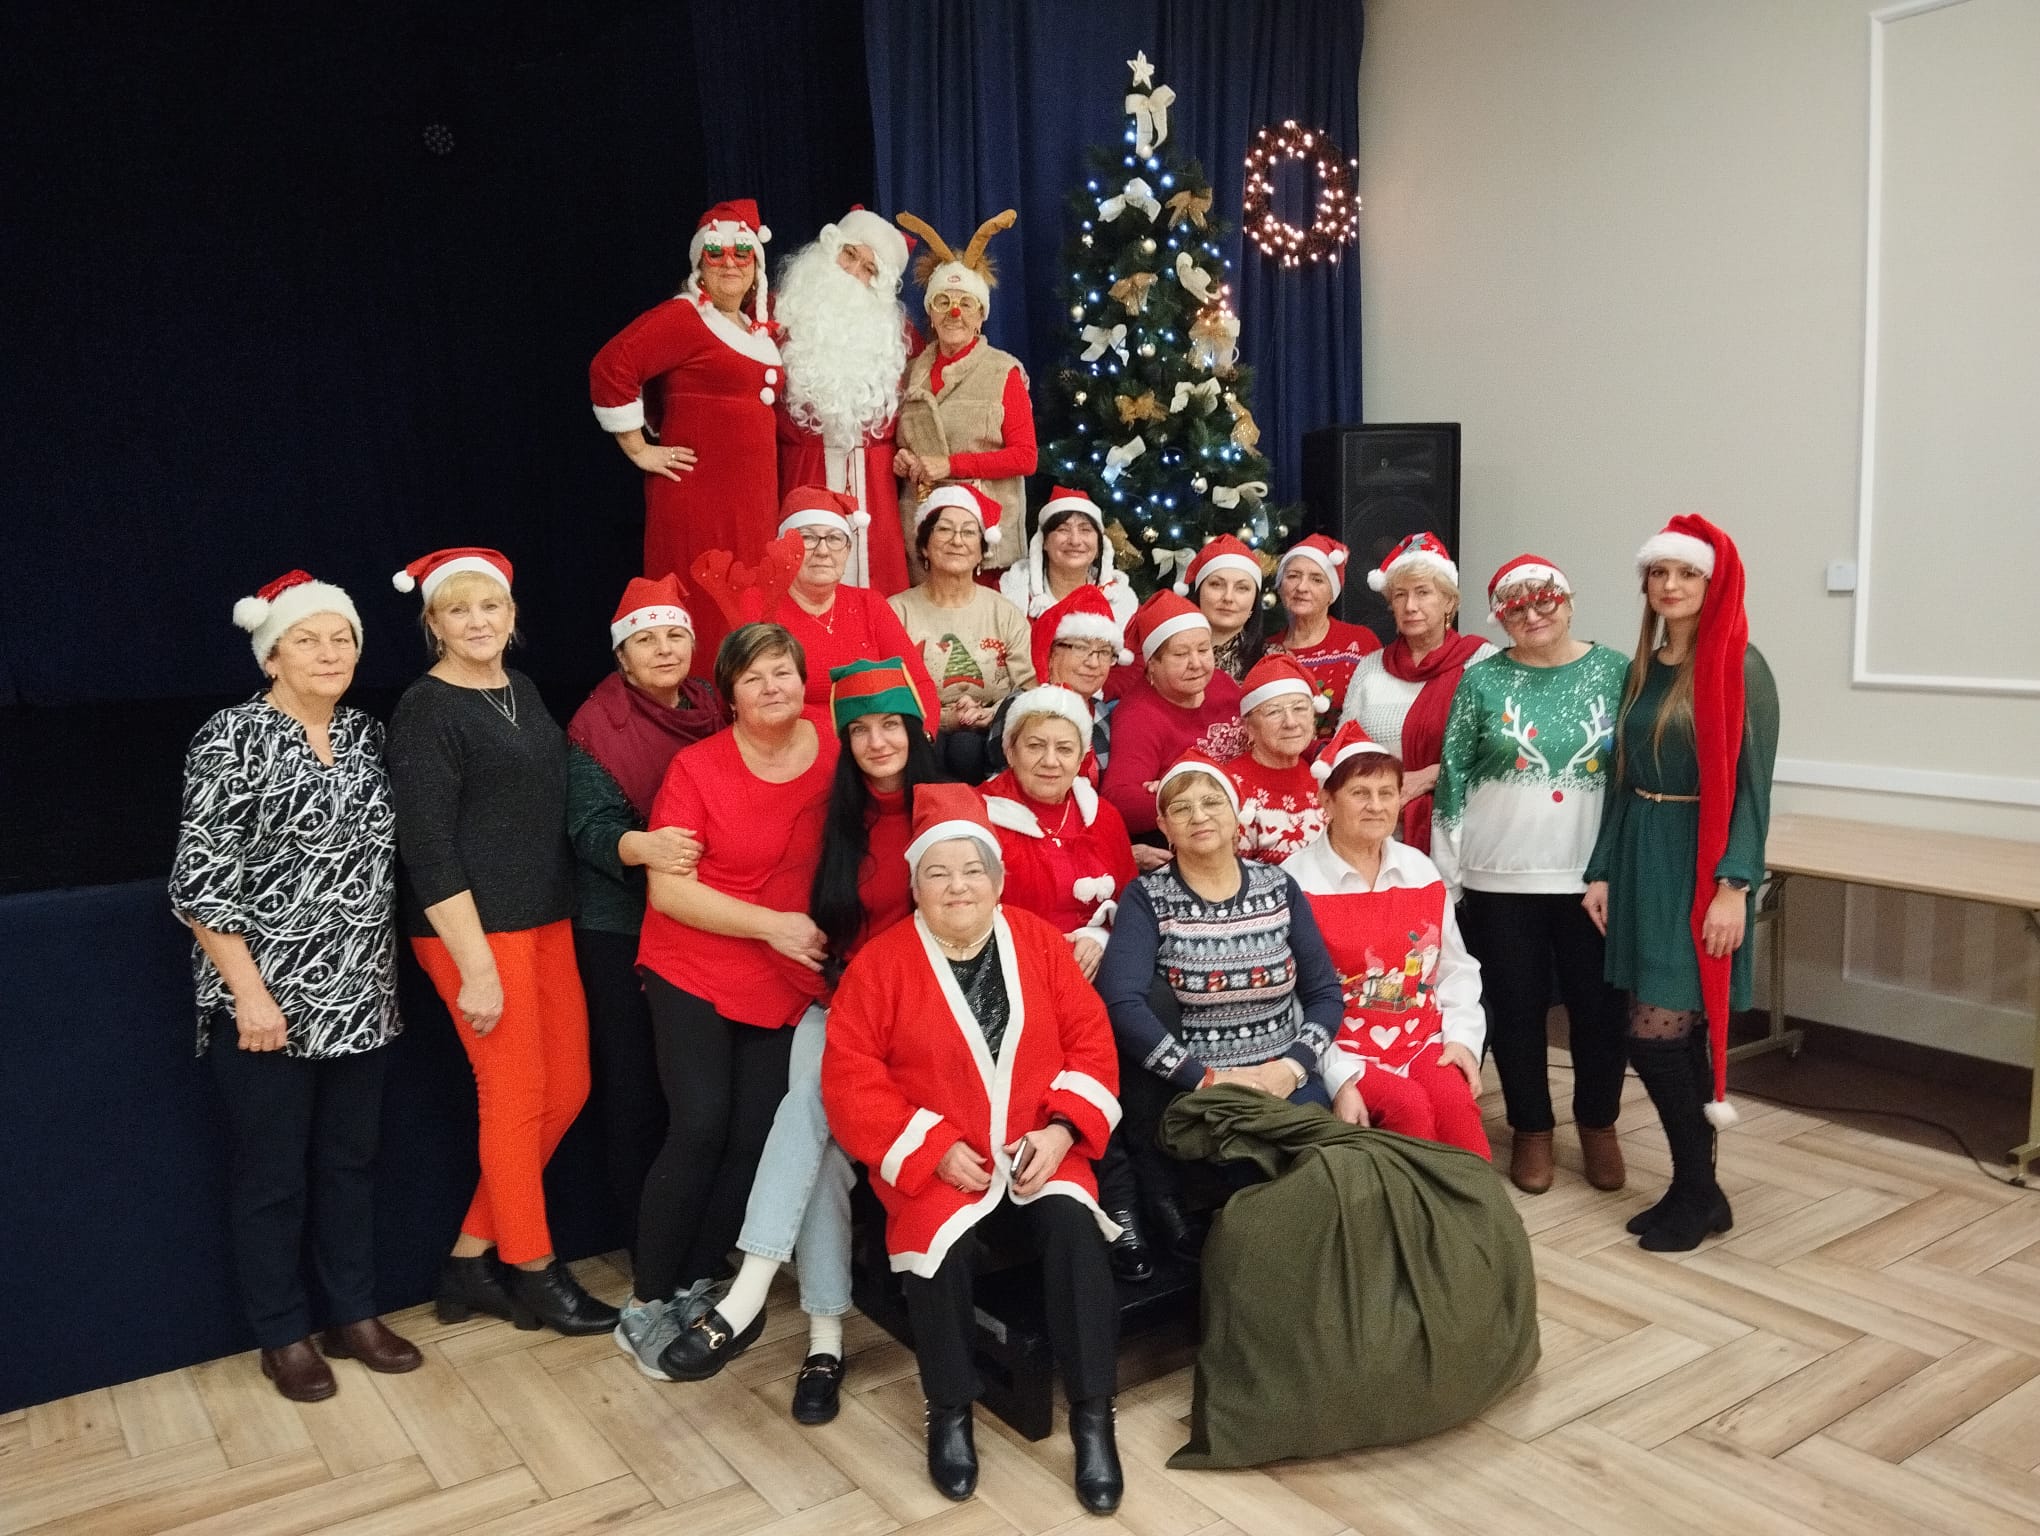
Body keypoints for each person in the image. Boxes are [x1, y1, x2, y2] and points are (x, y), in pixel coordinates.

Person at [823, 784, 1124, 1515]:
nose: (958, 886)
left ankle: (1093, 1415)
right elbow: (851, 1079)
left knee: (1074, 1230)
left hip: (1040, 1145)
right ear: (915, 884)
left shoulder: (1040, 943)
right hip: (941, 1157)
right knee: (941, 1253)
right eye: (938, 872)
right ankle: (950, 1408)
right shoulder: (880, 965)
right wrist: (930, 1149)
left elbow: (1090, 1041)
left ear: (997, 878)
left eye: (972, 870)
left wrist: (1062, 1130)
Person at [170, 571, 419, 1403]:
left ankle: (353, 1314)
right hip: (266, 1008)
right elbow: (200, 883)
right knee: (272, 1179)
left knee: (352, 1165)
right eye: (306, 639)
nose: (328, 652)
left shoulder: (365, 735)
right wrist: (249, 994)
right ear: (271, 655)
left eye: (341, 638)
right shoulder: (231, 736)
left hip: (362, 998)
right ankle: (283, 1333)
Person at [386, 548, 616, 1337]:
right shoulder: (426, 710)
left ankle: (467, 1260)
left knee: (568, 1089)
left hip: (544, 918)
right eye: (459, 609)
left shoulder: (520, 689)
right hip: (472, 934)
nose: (477, 621)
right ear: (434, 623)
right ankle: (534, 1270)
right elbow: (426, 848)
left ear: (512, 616)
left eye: (490, 606)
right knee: (514, 1098)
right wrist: (477, 966)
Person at [621, 623, 838, 1374]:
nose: (772, 687)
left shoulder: (837, 750)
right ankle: (647, 1299)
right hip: (696, 962)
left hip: (787, 976)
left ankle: (700, 1283)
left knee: (756, 1135)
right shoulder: (698, 767)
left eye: (783, 672)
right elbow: (669, 891)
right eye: (753, 677)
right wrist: (772, 925)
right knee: (701, 1123)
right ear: (731, 696)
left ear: (803, 679)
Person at [1585, 517, 1777, 1252]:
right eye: (1658, 573)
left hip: (1699, 866)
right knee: (1668, 1035)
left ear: (1713, 582)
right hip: (1642, 854)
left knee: (1657, 1037)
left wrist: (1736, 885)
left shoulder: (1741, 667)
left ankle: (1695, 1189)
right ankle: (1699, 1189)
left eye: (1686, 573)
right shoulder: (1644, 666)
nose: (1670, 586)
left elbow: (1755, 790)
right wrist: (1603, 868)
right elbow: (1621, 779)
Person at [1433, 555, 1629, 1194]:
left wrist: (1618, 866)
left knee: (1599, 1012)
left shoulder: (1617, 672)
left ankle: (1598, 1124)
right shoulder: (1480, 680)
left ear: (1569, 601)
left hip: (1590, 881)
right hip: (1499, 879)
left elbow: (1634, 777)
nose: (1533, 614)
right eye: (1515, 606)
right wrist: (1449, 877)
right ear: (1499, 617)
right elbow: (1452, 776)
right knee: (1514, 1011)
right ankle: (1532, 1130)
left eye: (1545, 599)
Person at [1096, 753, 1345, 1254]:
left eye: (1212, 802)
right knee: (1263, 1186)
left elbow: (1325, 994)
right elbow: (1122, 1002)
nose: (1199, 816)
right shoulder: (1147, 897)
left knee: (1332, 1178)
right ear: (1164, 826)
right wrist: (1205, 1077)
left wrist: (1292, 1066)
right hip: (1207, 1092)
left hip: (1286, 1079)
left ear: (1236, 815)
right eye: (1181, 808)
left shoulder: (1279, 887)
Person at [564, 575, 725, 1259]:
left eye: (675, 635)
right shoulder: (597, 725)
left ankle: (702, 1233)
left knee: (695, 1093)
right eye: (647, 640)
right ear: (622, 657)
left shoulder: (716, 706)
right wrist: (648, 847)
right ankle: (644, 1243)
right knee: (635, 1087)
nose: (664, 649)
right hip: (620, 926)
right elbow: (588, 830)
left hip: (705, 921)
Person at [980, 684, 1146, 1278]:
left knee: (1140, 1025)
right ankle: (1116, 1203)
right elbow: (973, 910)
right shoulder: (981, 816)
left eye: (1064, 747)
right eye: (1035, 746)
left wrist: (1101, 935)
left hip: (1096, 967)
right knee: (1076, 1046)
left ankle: (1148, 1196)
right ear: (1010, 749)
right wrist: (1055, 954)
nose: (1050, 760)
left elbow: (1129, 898)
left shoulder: (1102, 816)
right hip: (1013, 971)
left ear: (1083, 755)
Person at [1285, 722, 1489, 1156]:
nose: (1376, 806)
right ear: (1326, 801)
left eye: (1387, 793)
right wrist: (1338, 1076)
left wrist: (1462, 1039)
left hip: (1423, 1039)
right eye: (1360, 793)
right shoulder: (1295, 883)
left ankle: (1471, 1203)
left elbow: (1455, 967)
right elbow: (1292, 999)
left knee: (1457, 1109)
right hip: (1340, 1047)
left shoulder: (1420, 870)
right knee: (1408, 1109)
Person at [590, 199, 783, 657]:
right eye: (716, 253)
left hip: (750, 502)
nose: (730, 263)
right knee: (704, 599)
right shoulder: (685, 316)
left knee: (746, 606)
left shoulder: (751, 327)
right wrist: (639, 447)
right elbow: (613, 365)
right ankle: (697, 693)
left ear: (757, 267)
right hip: (701, 500)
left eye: (742, 253)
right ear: (699, 263)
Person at [774, 208, 918, 593]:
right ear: (828, 250)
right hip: (801, 475)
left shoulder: (898, 335)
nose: (854, 273)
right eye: (849, 255)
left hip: (876, 490)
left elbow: (939, 373)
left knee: (880, 598)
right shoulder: (780, 315)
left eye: (869, 269)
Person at [891, 208, 1031, 574]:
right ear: (931, 313)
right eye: (944, 302)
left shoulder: (1003, 372)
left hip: (985, 537)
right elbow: (901, 443)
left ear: (981, 315)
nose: (955, 313)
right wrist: (902, 459)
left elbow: (1025, 457)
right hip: (924, 532)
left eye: (966, 303)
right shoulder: (910, 373)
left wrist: (951, 465)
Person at [1338, 532, 1496, 853]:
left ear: (1449, 601)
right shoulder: (1371, 667)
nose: (1410, 606)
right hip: (1378, 835)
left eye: (1423, 592)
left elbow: (1499, 751)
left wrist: (1429, 776)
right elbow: (1344, 747)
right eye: (1400, 595)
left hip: (1464, 836)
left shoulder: (1482, 662)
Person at [890, 484, 1035, 780]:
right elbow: (888, 690)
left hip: (992, 735)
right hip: (917, 734)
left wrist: (990, 714)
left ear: (982, 550)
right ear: (924, 545)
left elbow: (1027, 688)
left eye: (969, 532)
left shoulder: (1004, 612)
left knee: (966, 748)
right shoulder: (896, 611)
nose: (957, 540)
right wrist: (944, 719)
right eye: (944, 530)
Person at [766, 486, 940, 717]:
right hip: (794, 737)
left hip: (871, 737)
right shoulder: (761, 608)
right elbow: (757, 701)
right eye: (807, 537)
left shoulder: (870, 604)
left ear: (847, 550)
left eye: (834, 538)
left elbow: (918, 685)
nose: (823, 551)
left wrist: (922, 735)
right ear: (783, 548)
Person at [1099, 591, 1245, 843]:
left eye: (1203, 649)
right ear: (1152, 664)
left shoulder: (1222, 684)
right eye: (1180, 654)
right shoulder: (1139, 716)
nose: (1196, 663)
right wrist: (1174, 794)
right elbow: (1119, 800)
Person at [985, 582, 1130, 777]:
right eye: (1081, 648)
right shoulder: (1023, 706)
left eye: (1104, 652)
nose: (1094, 663)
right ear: (1051, 653)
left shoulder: (1101, 712)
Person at [1267, 534, 1380, 742]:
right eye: (1293, 576)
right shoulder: (1267, 650)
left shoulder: (1360, 642)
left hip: (1347, 756)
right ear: (1280, 586)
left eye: (1316, 579)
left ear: (1332, 593)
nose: (1302, 587)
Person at [1227, 653, 1331, 864]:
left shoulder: (1325, 777)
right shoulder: (1230, 788)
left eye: (1300, 708)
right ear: (1249, 728)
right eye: (1274, 712)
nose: (1291, 722)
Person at [999, 485, 1138, 627]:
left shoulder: (1123, 606)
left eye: (1085, 530)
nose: (1075, 541)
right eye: (1063, 529)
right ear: (1043, 542)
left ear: (1099, 545)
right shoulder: (1010, 596)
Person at [1174, 534, 1267, 682]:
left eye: (1242, 588)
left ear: (1254, 600)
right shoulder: (1169, 655)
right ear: (1198, 592)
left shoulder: (1271, 661)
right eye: (1217, 584)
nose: (1228, 597)